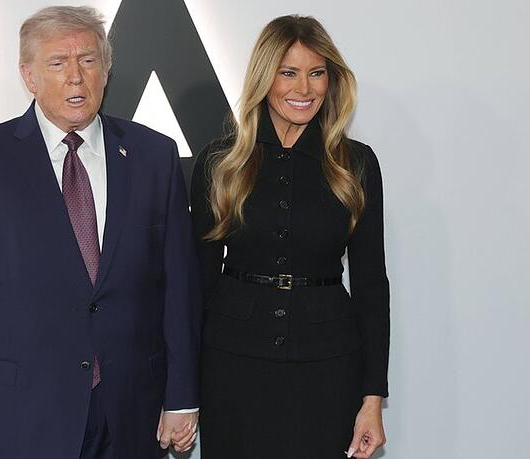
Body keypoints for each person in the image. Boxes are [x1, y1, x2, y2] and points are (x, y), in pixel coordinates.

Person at [0, 6, 201, 458]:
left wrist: (182, 395)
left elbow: (179, 288)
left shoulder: (155, 156)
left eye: (88, 61)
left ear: (106, 70)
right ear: (28, 76)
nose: (76, 77)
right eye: (58, 63)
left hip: (134, 410)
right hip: (23, 413)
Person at [191, 15, 389, 459]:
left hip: (326, 370)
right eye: (289, 72)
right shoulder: (219, 162)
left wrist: (372, 399)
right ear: (265, 76)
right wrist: (182, 392)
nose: (305, 89)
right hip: (232, 367)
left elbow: (372, 286)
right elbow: (197, 284)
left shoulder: (355, 164)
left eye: (316, 73)